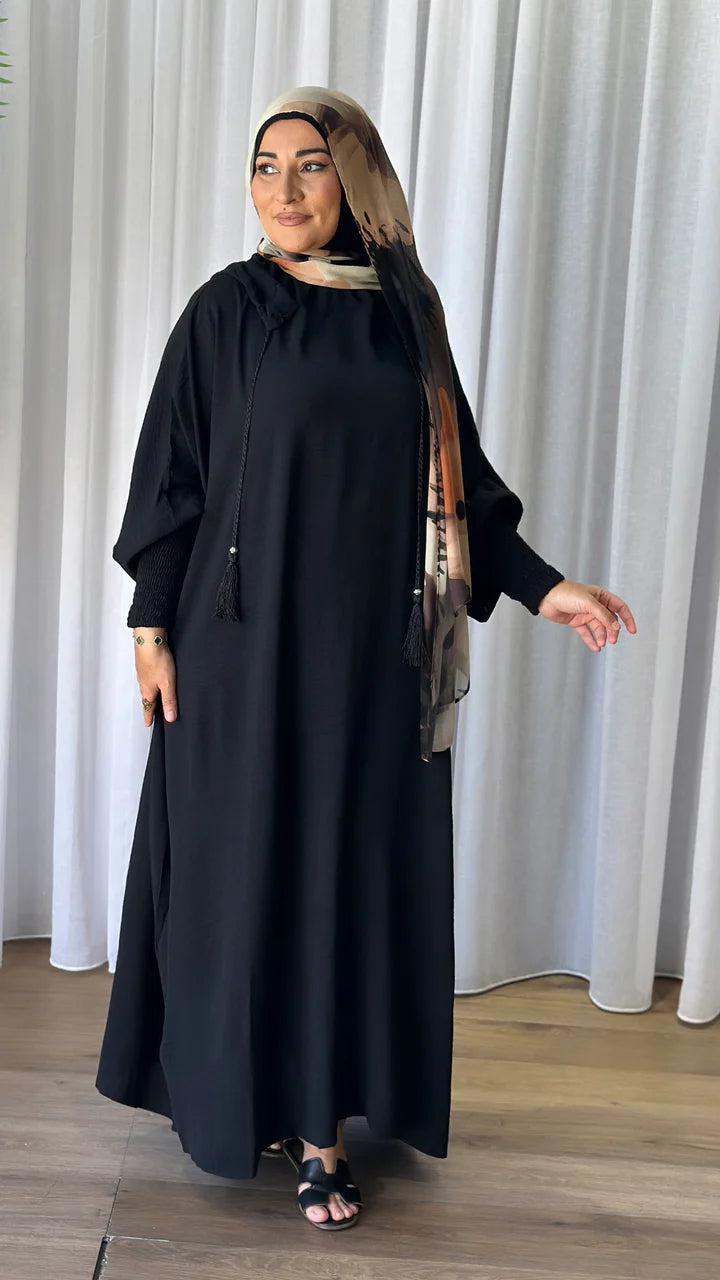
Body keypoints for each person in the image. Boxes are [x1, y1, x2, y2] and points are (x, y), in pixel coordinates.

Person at [95, 86, 636, 1231]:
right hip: (237, 653)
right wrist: (150, 628)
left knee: (340, 875)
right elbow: (172, 481)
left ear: (357, 179)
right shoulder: (226, 310)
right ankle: (250, 1101)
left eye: (311, 164)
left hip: (370, 662)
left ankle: (323, 1127)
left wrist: (547, 586)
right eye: (265, 165)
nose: (283, 188)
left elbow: (461, 487)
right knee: (244, 872)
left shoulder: (405, 314)